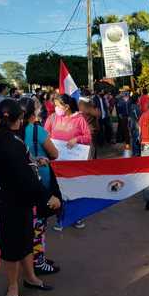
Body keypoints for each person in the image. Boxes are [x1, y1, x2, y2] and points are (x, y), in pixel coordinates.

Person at [0, 99, 59, 296]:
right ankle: (12, 286)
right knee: (12, 246)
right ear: (19, 119)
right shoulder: (10, 142)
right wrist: (47, 197)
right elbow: (25, 177)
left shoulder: (0, 138)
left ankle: (30, 278)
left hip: (15, 199)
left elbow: (11, 167)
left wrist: (33, 161)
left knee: (26, 239)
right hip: (13, 200)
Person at [22, 97, 62, 274]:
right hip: (40, 180)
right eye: (37, 107)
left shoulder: (15, 131)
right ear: (33, 112)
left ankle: (35, 259)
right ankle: (38, 262)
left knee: (28, 223)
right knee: (39, 224)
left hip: (22, 183)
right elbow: (54, 153)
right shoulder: (37, 130)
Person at [45, 94, 92, 230]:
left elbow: (88, 137)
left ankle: (76, 217)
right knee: (58, 190)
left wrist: (77, 139)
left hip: (73, 162)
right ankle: (61, 218)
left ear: (66, 107)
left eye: (58, 105)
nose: (55, 108)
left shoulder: (79, 119)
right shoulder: (52, 118)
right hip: (56, 161)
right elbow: (45, 134)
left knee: (74, 189)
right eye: (55, 105)